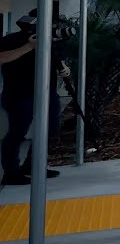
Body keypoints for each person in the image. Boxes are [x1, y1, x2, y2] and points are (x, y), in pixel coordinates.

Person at [1, 11, 70, 185]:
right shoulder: (12, 40)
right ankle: (11, 172)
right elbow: (2, 58)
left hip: (47, 93)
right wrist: (29, 47)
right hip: (19, 94)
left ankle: (33, 166)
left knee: (50, 129)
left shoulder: (52, 43)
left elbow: (59, 62)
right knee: (17, 133)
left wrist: (64, 68)